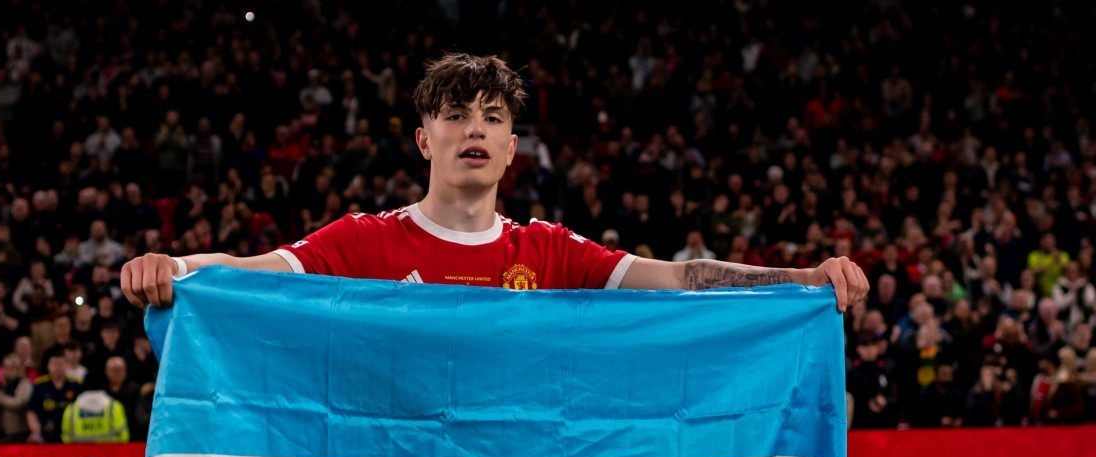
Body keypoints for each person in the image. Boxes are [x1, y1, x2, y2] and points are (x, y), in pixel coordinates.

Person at [122, 53, 869, 311]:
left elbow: (681, 280)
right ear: (426, 139)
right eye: (455, 115)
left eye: (490, 118)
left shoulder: (549, 252)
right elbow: (249, 274)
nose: (473, 129)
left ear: (513, 148)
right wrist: (177, 265)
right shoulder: (362, 240)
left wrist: (801, 278)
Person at [26, 346, 83, 443]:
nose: (57, 367)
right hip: (47, 433)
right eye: (54, 364)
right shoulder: (40, 385)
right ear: (48, 366)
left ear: (66, 365)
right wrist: (35, 429)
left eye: (60, 364)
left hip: (71, 434)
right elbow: (31, 410)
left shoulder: (76, 384)